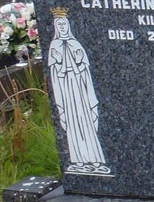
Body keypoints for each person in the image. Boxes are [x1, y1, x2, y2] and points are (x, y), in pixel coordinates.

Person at [47, 10, 111, 175]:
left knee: (86, 123)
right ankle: (79, 161)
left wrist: (78, 62)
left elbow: (85, 70)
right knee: (73, 125)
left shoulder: (76, 44)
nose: (62, 27)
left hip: (81, 92)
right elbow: (55, 75)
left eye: (64, 24)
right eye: (59, 24)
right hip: (67, 93)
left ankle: (95, 160)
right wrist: (59, 62)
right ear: (56, 27)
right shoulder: (54, 46)